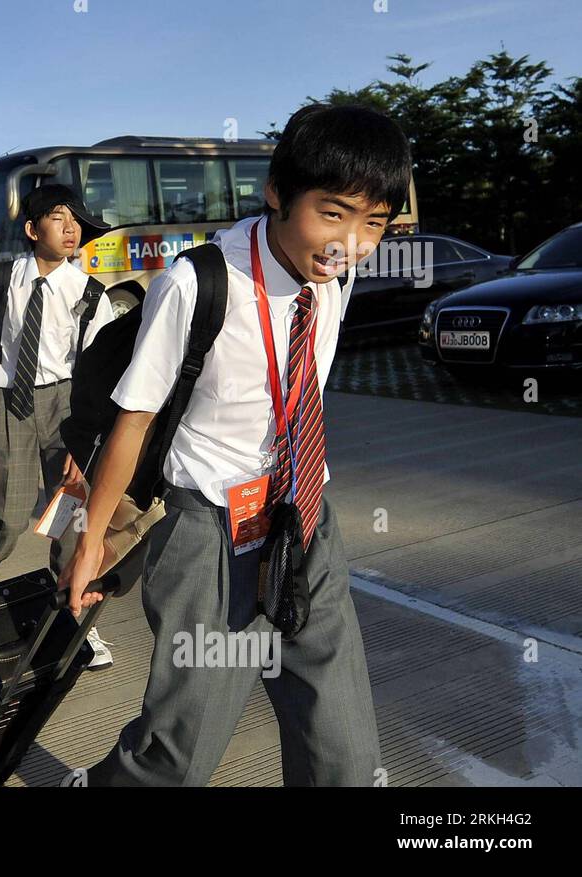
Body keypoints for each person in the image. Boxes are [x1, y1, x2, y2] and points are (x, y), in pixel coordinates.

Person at [61, 104, 409, 786]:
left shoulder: (335, 277)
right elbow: (132, 424)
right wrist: (91, 540)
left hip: (305, 518)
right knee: (179, 754)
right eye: (334, 213)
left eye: (375, 223)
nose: (352, 243)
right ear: (278, 191)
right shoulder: (197, 283)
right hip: (210, 533)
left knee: (345, 754)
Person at [0, 183, 117, 669]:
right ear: (33, 229)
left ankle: (70, 616)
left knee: (71, 516)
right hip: (9, 399)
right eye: (57, 217)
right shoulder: (0, 280)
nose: (71, 228)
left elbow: (98, 372)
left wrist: (86, 438)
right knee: (7, 517)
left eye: (76, 218)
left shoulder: (92, 295)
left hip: (69, 403)